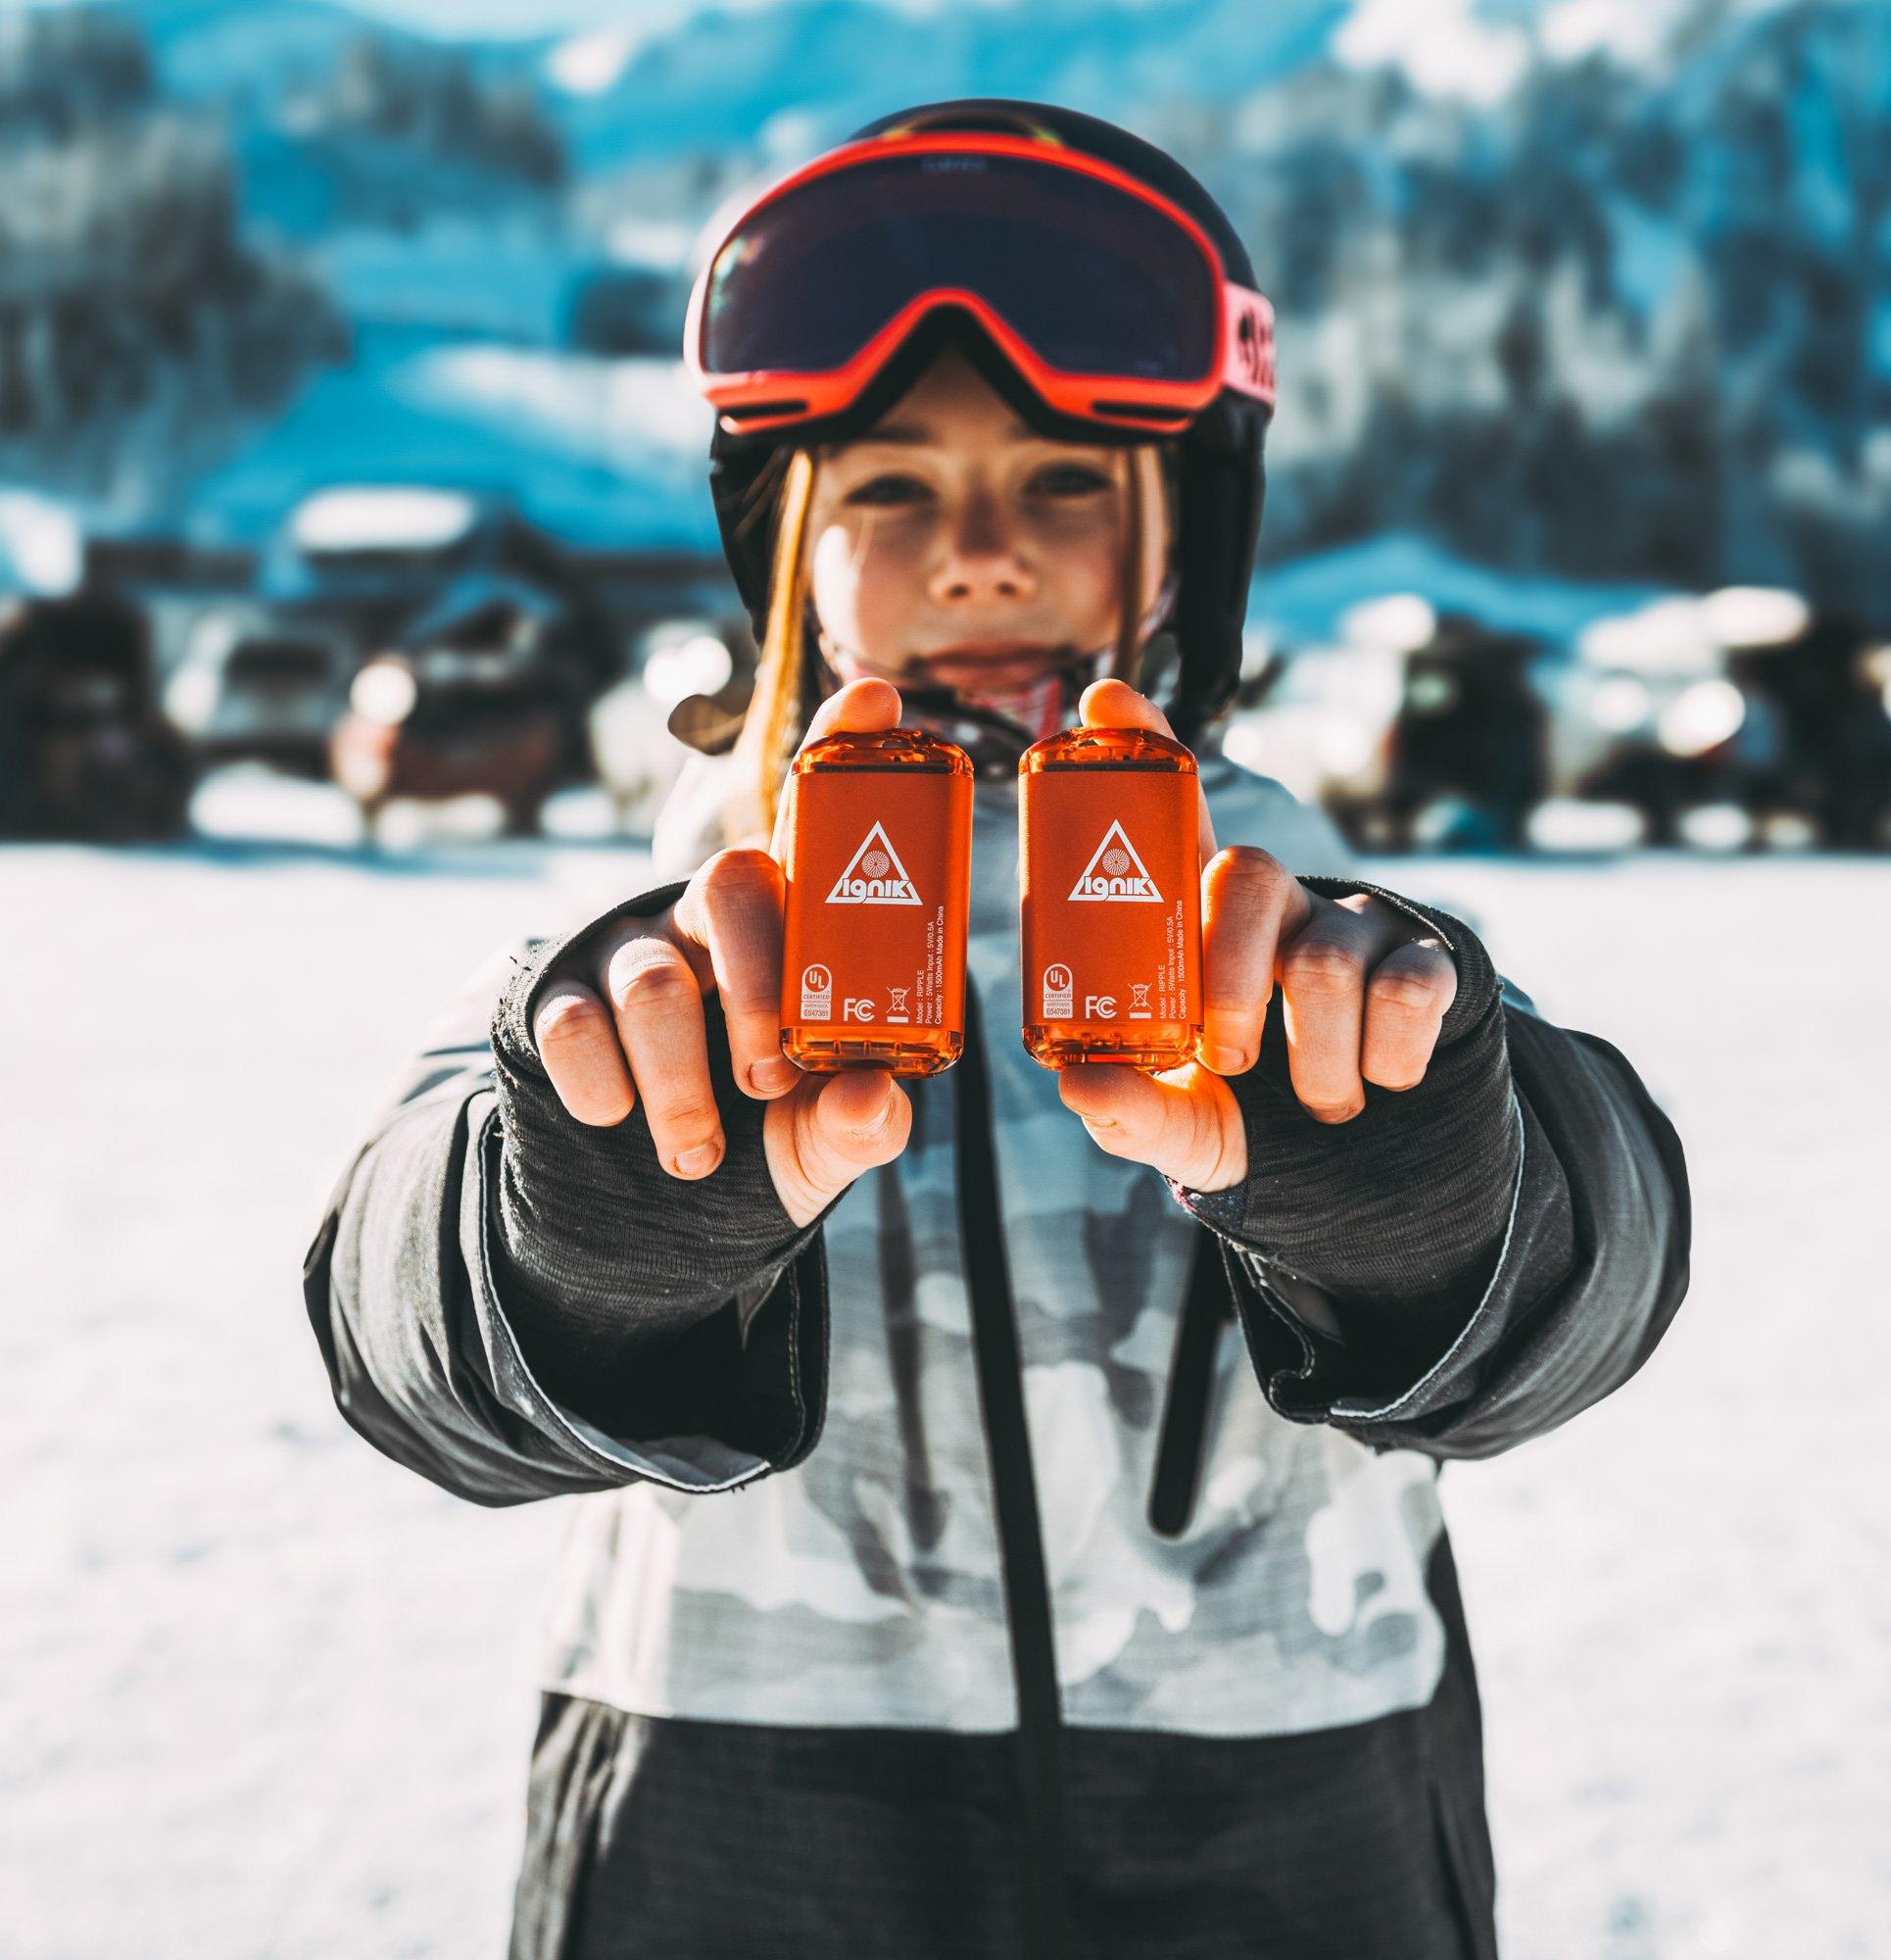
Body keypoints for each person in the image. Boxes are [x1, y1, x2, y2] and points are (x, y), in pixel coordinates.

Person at [303, 101, 1690, 1960]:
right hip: (733, 1816)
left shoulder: (1304, 911)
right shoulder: (670, 930)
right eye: (888, 489)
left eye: (1058, 484)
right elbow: (387, 1318)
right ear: (785, 543)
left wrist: (1429, 1210)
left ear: (1185, 531)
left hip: (1293, 1819)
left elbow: (1602, 1264)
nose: (977, 556)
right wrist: (585, 1255)